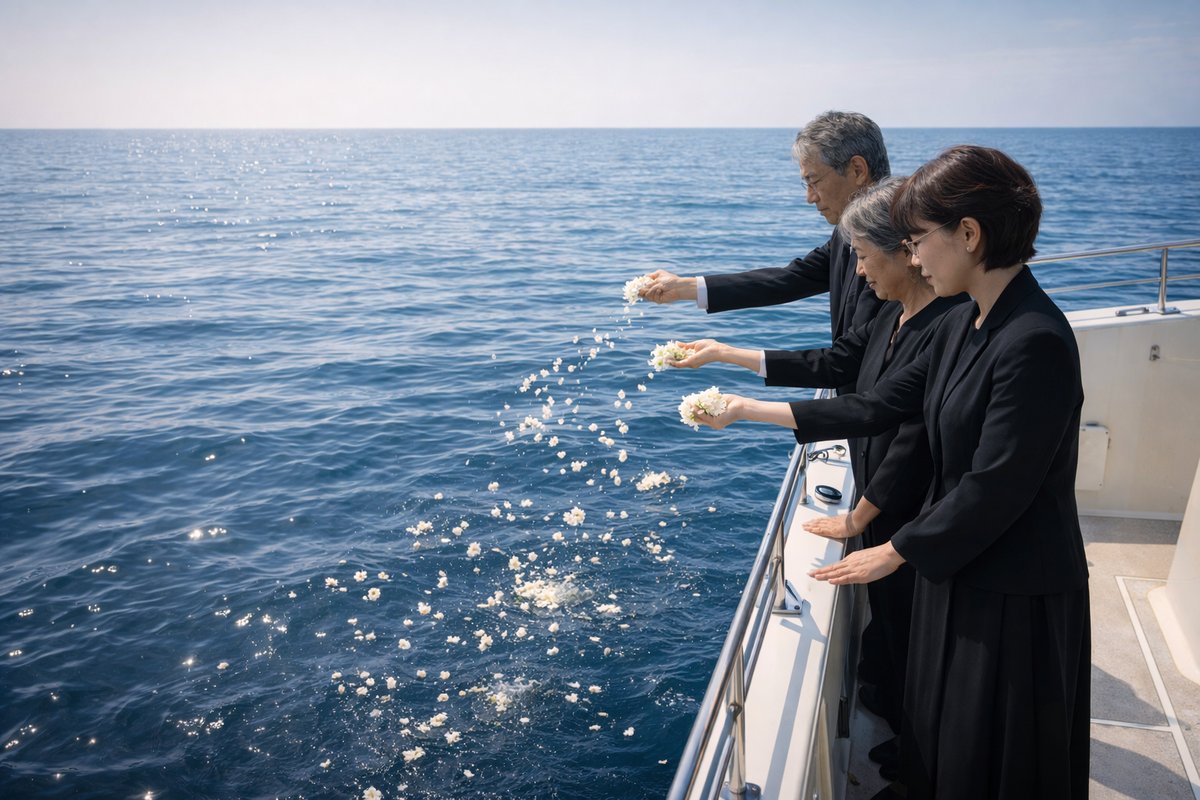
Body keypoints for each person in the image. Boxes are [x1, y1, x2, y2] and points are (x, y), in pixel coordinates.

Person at [688, 146, 1090, 799]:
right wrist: (742, 411)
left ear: (968, 234)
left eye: (918, 240)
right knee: (938, 728)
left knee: (991, 751)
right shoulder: (974, 320)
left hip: (1014, 588)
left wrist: (895, 550)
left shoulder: (1034, 339)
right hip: (958, 565)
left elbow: (1000, 483)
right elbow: (879, 404)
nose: (915, 258)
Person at [667, 176, 964, 776]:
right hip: (885, 504)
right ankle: (904, 745)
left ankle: (920, 763)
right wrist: (726, 354)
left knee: (920, 647)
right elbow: (840, 369)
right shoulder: (895, 314)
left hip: (908, 514)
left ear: (906, 251)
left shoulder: (942, 327)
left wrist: (748, 410)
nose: (855, 273)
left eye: (861, 256)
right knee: (896, 639)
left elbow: (887, 421)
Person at [638, 111, 891, 387]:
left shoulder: (891, 247)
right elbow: (788, 280)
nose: (809, 198)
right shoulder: (848, 234)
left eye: (814, 181)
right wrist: (683, 288)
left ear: (857, 170)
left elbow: (846, 362)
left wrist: (726, 354)